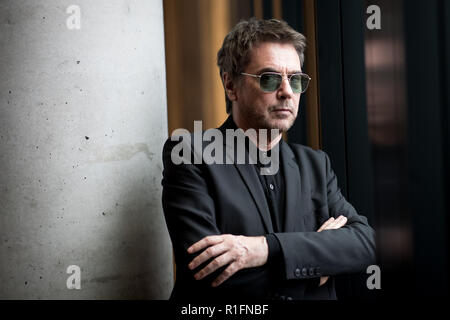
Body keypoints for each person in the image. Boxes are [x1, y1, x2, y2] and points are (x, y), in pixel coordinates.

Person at [161, 18, 376, 300]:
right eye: (270, 78)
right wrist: (317, 262)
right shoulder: (190, 154)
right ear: (230, 85)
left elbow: (365, 244)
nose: (287, 91)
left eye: (296, 79)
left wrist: (263, 249)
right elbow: (211, 274)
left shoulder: (316, 165)